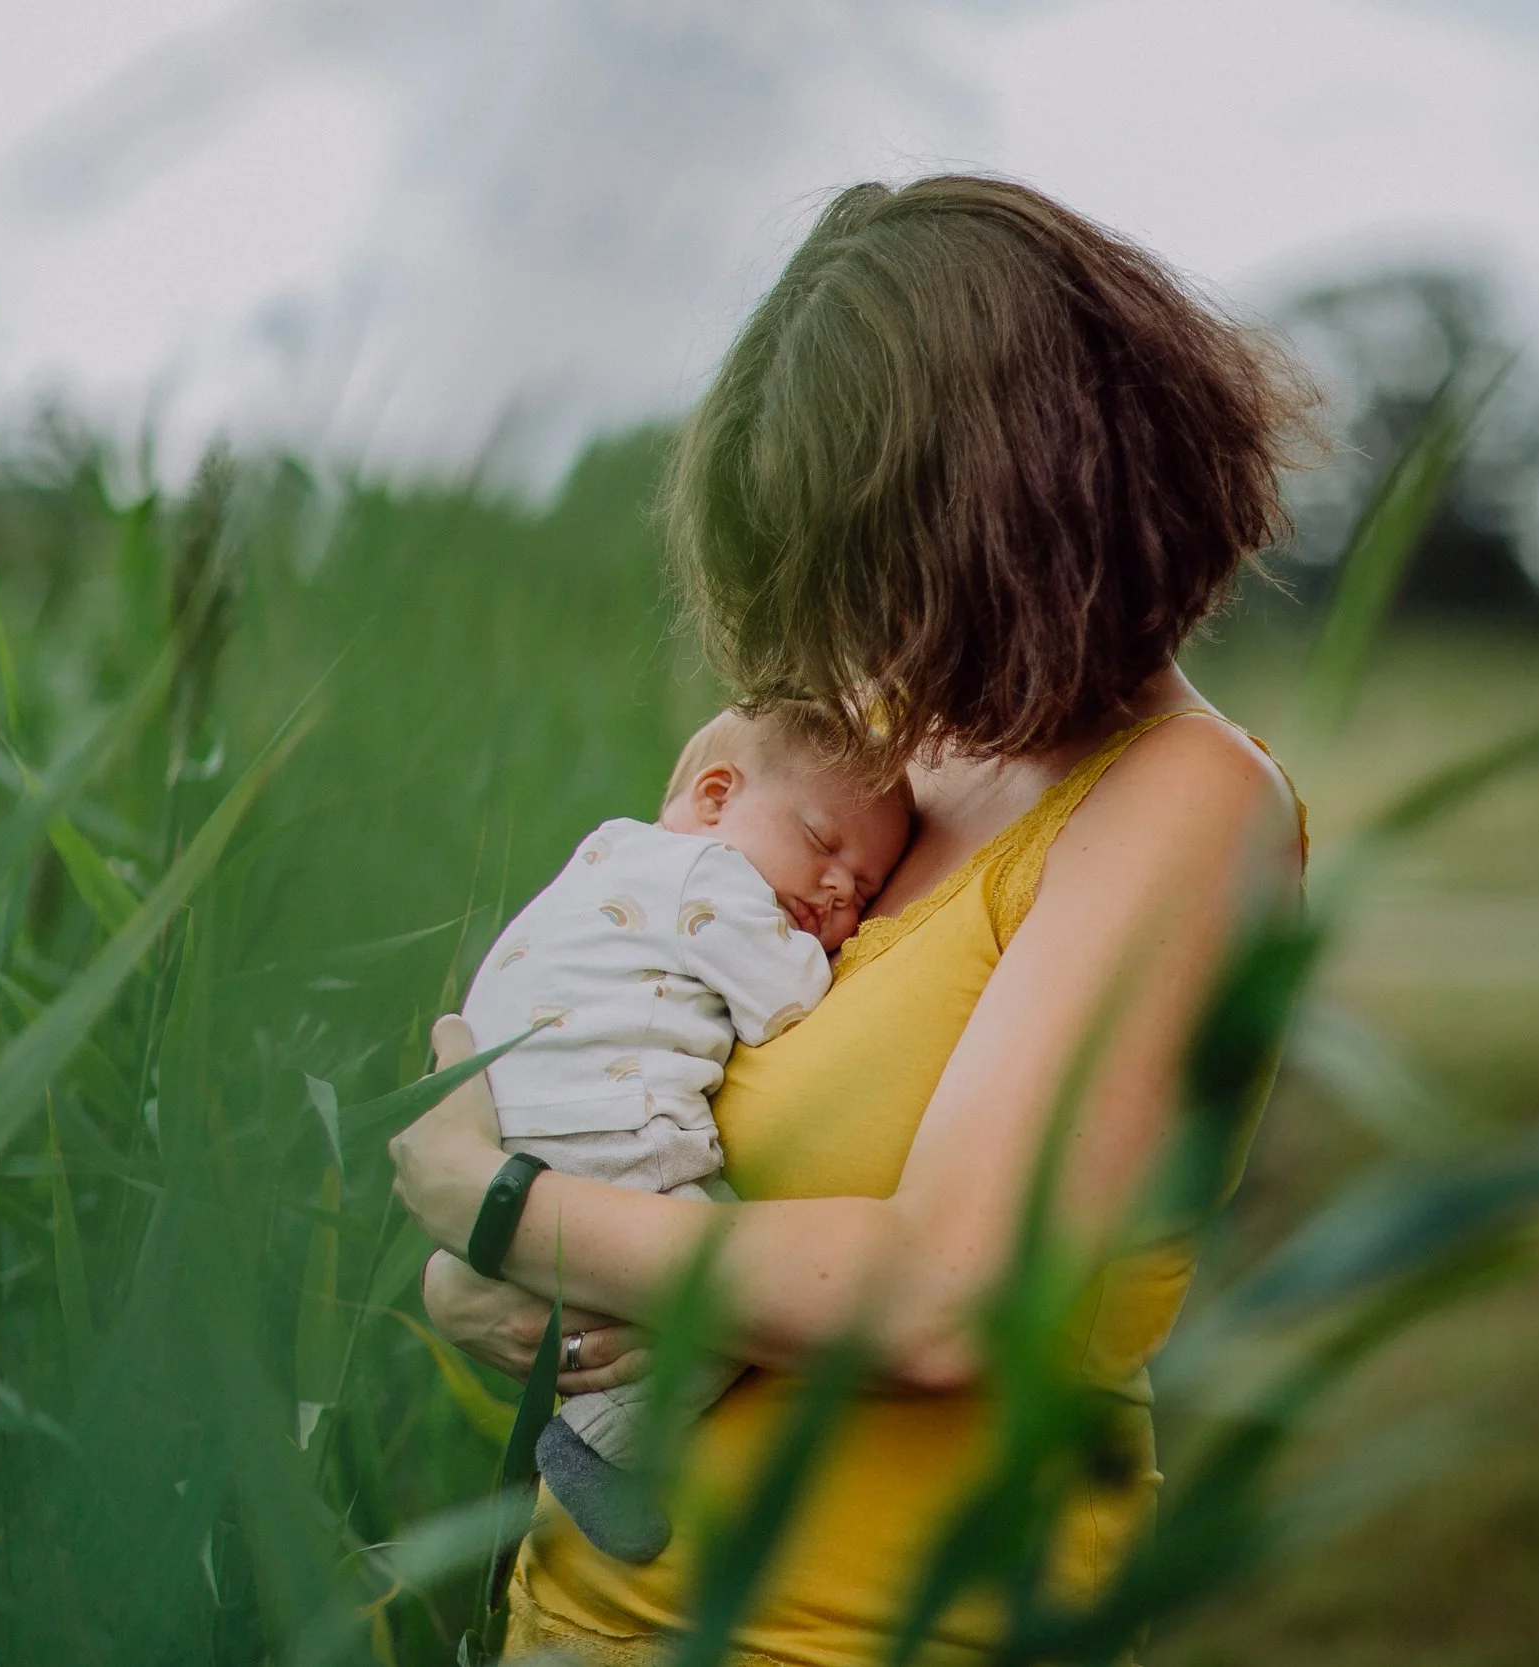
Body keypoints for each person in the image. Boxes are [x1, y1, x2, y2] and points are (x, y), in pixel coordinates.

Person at [388, 173, 1314, 1665]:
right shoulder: (871, 752)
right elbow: (612, 1037)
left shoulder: (1183, 802)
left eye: (883, 566)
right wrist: (482, 1283)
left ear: (1030, 508)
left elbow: (952, 1293)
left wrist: (500, 1208)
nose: (862, 633)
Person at [465, 705, 912, 1563]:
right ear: (715, 796)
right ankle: (597, 1445)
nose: (838, 896)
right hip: (610, 1126)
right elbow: (790, 999)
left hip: (517, 1122)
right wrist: (857, 957)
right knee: (746, 1283)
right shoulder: (712, 876)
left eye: (864, 892)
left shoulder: (610, 854)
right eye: (825, 845)